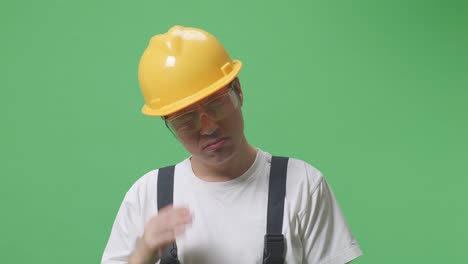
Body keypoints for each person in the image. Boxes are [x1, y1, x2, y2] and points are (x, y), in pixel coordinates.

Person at [102, 25, 362, 264]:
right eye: (186, 119)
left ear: (238, 90)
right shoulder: (146, 195)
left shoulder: (303, 185)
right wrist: (143, 253)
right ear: (167, 122)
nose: (208, 127)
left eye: (216, 104)